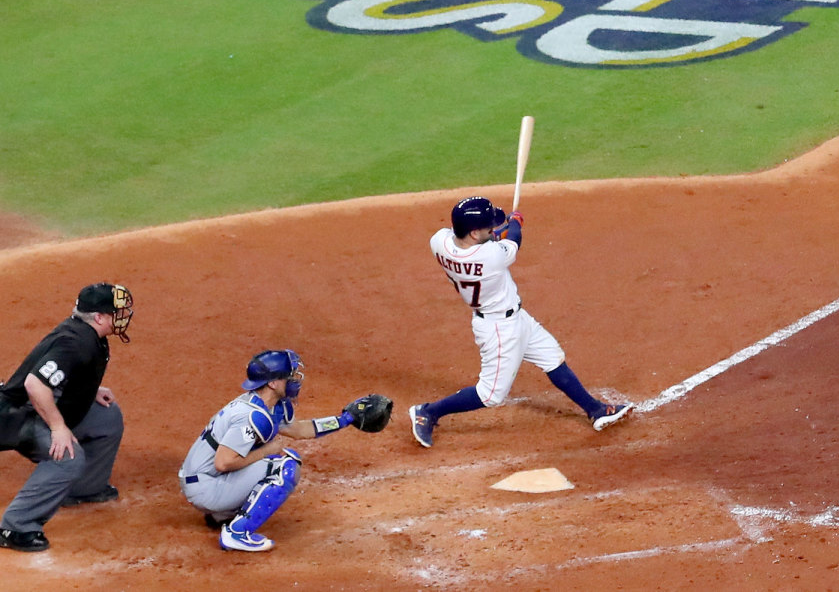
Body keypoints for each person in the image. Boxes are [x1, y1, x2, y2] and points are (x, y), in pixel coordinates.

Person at [408, 196, 632, 449]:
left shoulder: (439, 241)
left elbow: (485, 240)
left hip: (515, 318)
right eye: (488, 227)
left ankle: (596, 410)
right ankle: (428, 411)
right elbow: (514, 239)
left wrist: (497, 231)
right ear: (474, 233)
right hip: (500, 329)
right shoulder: (492, 256)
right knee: (490, 395)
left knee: (552, 357)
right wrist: (515, 222)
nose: (492, 230)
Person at [179, 349, 378, 552]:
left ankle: (222, 514)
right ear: (273, 383)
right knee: (284, 467)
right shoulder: (250, 416)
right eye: (288, 376)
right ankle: (236, 533)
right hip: (205, 486)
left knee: (267, 457)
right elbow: (223, 462)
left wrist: (344, 420)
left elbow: (299, 430)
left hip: (206, 478)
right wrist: (265, 451)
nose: (294, 380)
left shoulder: (269, 406)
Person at [0, 282, 134, 553]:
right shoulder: (75, 343)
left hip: (32, 408)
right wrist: (58, 427)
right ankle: (15, 527)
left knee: (106, 418)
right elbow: (35, 385)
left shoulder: (89, 334)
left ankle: (84, 488)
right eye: (116, 312)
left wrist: (90, 391)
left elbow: (64, 374)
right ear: (99, 317)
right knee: (67, 457)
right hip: (15, 416)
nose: (123, 316)